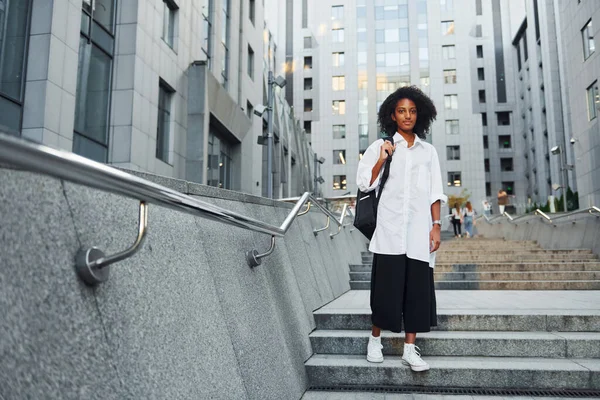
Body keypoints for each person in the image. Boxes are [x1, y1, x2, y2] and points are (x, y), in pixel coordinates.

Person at [356, 86, 446, 372]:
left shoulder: (428, 151)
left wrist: (436, 226)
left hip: (419, 233)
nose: (407, 116)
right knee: (385, 289)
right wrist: (382, 158)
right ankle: (375, 341)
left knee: (417, 292)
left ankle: (410, 349)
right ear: (392, 116)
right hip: (389, 231)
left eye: (412, 111)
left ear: (419, 114)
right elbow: (364, 184)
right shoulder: (379, 146)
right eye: (401, 111)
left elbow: (435, 192)